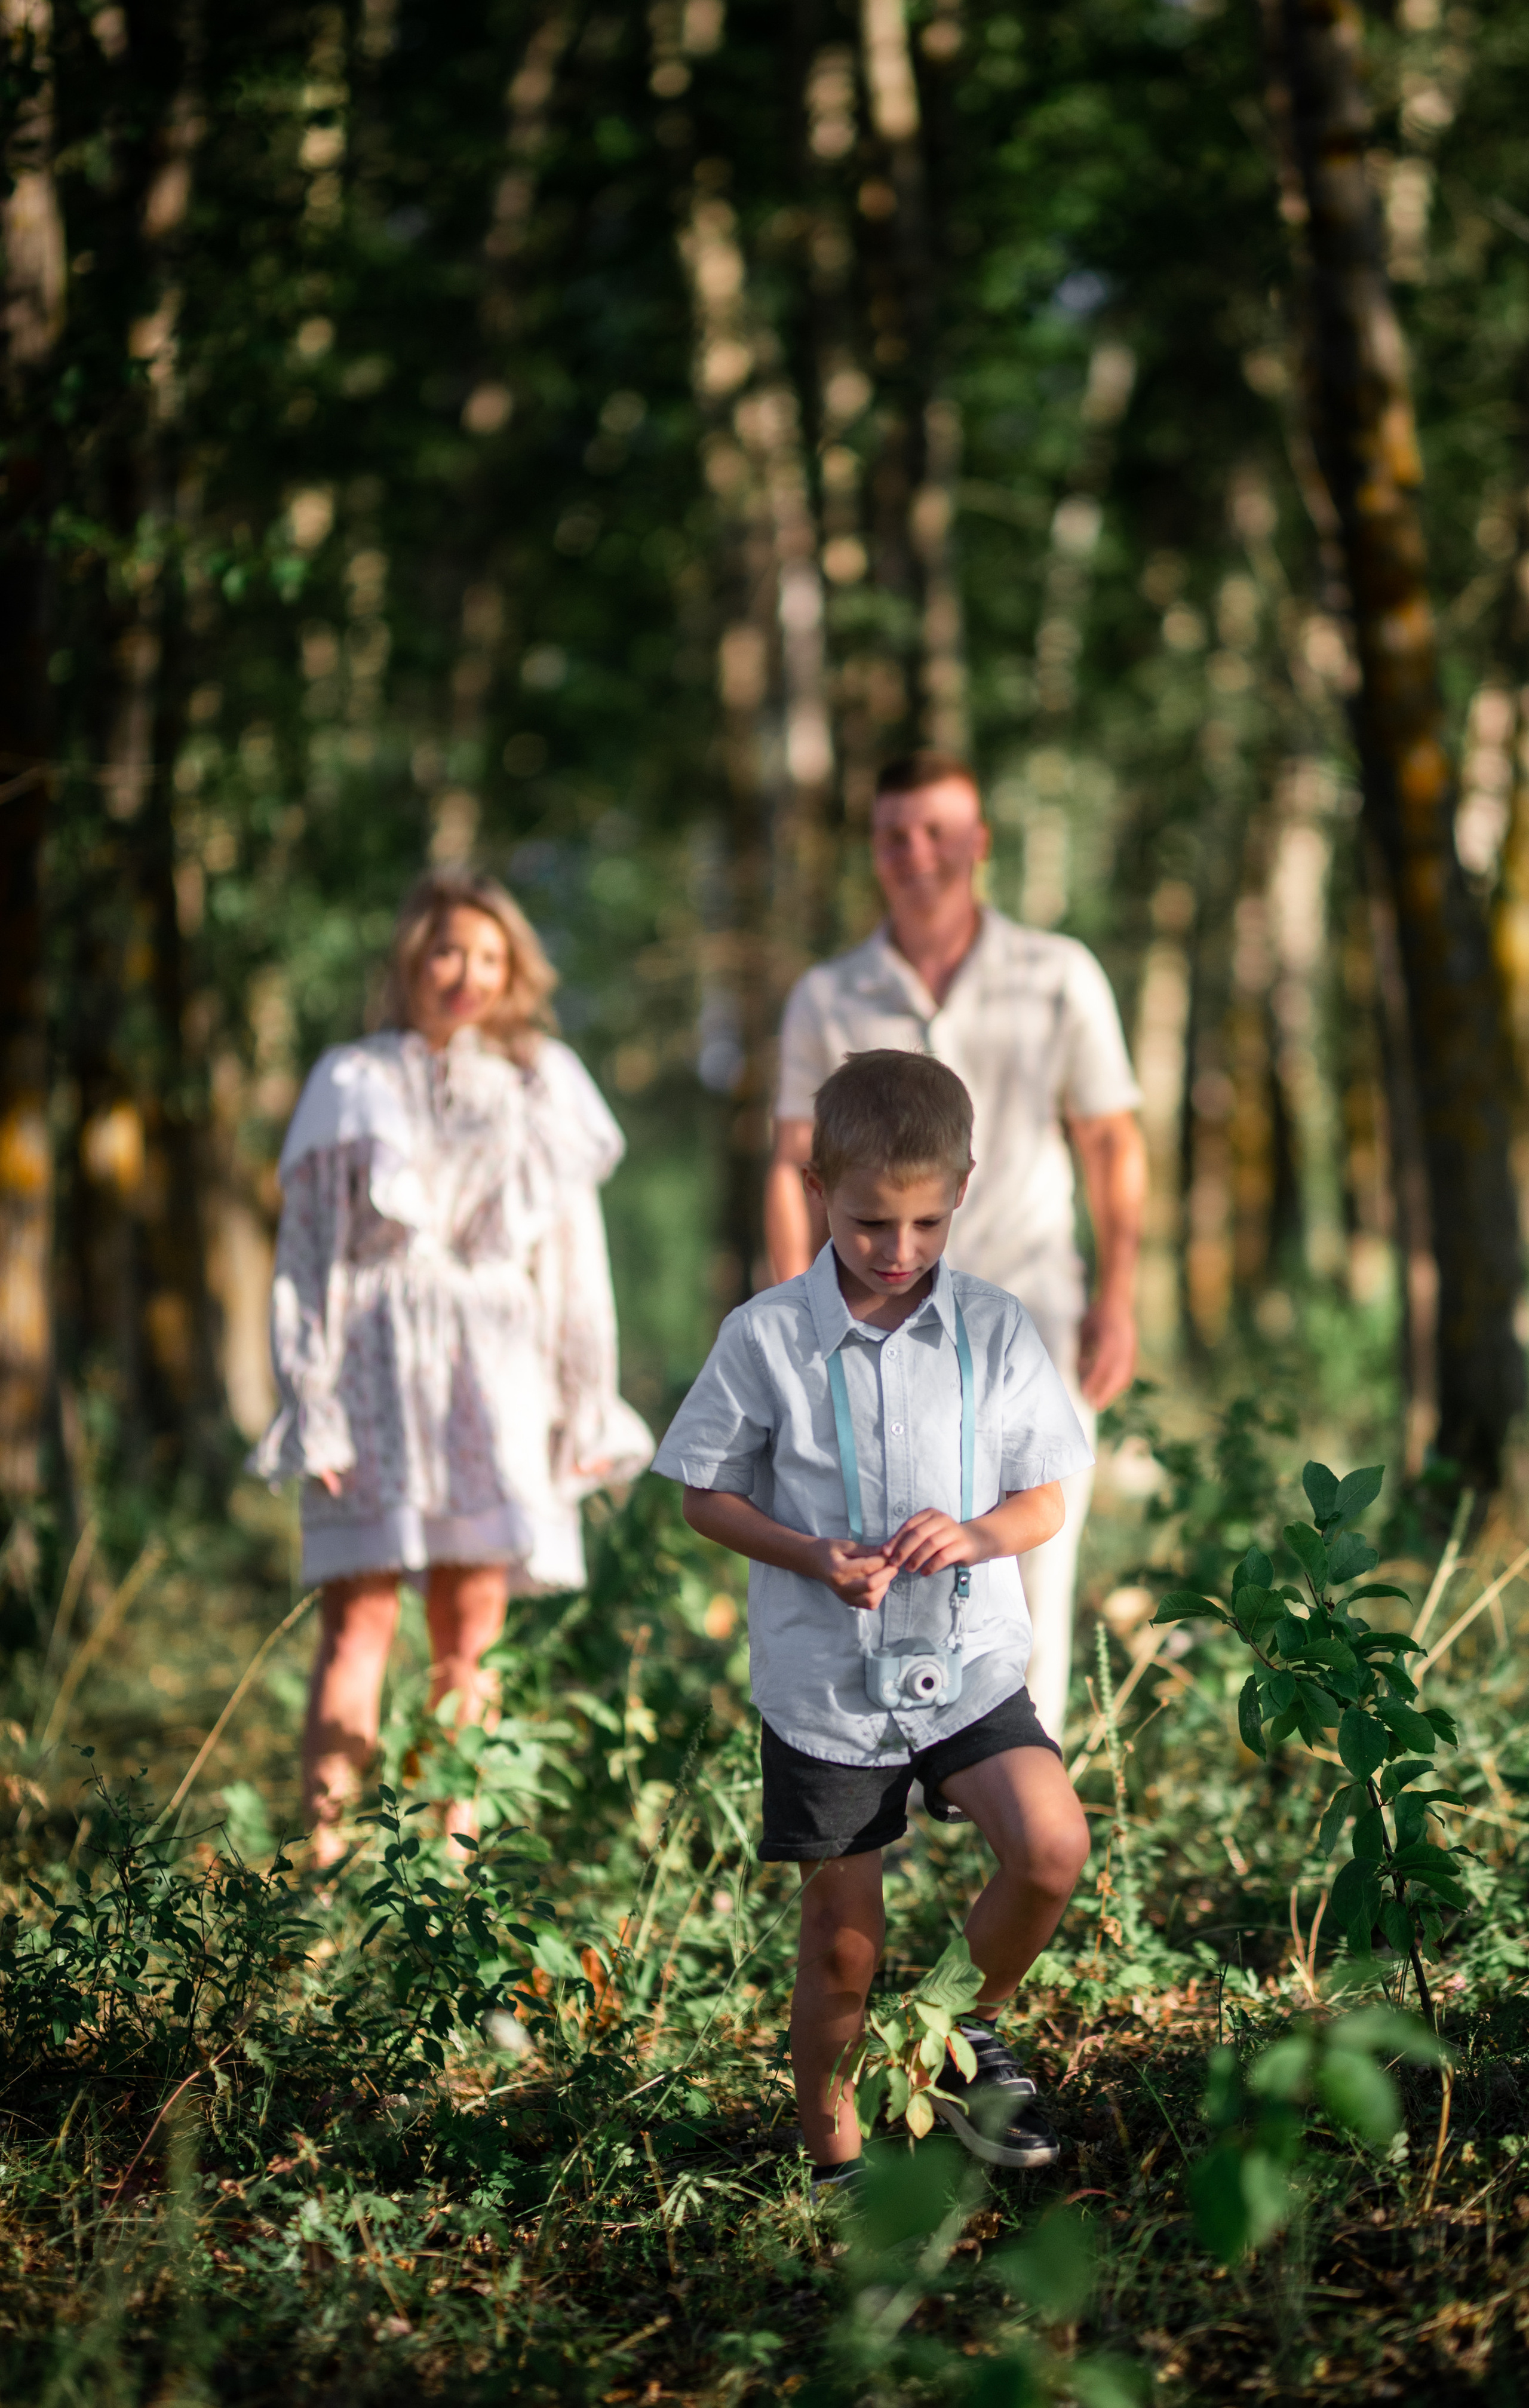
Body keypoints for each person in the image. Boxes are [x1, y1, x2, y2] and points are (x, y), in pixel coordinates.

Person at [653, 1050, 1093, 2188]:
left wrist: (979, 1534)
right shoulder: (765, 1337)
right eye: (869, 1226)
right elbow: (707, 1493)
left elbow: (1044, 1496)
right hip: (828, 1685)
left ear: (965, 1189)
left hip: (968, 1660)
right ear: (817, 1187)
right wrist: (808, 1554)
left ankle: (957, 2032)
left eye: (927, 1226)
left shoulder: (995, 1330)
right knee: (844, 1945)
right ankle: (842, 2173)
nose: (899, 1253)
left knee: (1050, 1847)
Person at [252, 867, 653, 1866]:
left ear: (512, 970)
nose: (466, 974)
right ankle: (322, 1873)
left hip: (496, 1377)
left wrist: (584, 1404)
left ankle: (452, 1870)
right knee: (359, 1624)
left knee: (470, 1636)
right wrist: (312, 1404)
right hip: (375, 1376)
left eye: (488, 955)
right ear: (411, 961)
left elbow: (573, 1263)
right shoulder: (351, 1079)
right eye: (447, 951)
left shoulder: (542, 1082)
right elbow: (308, 1256)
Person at [765, 751, 1144, 1745]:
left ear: (979, 844)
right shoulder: (827, 993)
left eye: (938, 832)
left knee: (1033, 1553)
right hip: (868, 1325)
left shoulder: (1058, 975)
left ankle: (1026, 1779)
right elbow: (789, 1163)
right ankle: (880, 1784)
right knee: (879, 1549)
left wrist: (1121, 1297)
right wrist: (793, 1318)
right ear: (875, 850)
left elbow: (1111, 1138)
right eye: (895, 835)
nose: (916, 854)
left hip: (1028, 1307)